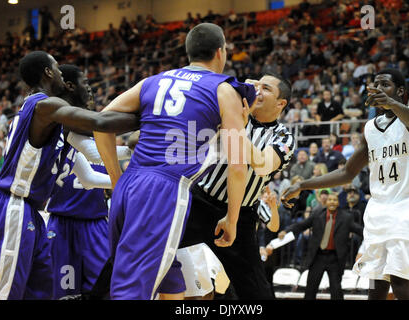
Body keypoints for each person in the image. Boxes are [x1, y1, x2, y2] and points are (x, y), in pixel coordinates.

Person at [92, 23, 256, 300]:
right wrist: (232, 218)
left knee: (171, 281)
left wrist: (116, 179)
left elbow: (100, 123)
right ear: (220, 52)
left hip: (129, 185)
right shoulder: (224, 89)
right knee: (130, 291)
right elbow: (238, 165)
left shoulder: (152, 81)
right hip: (163, 191)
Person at [282, 68, 409, 300]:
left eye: (385, 85)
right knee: (375, 290)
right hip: (379, 214)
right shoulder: (371, 129)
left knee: (401, 286)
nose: (378, 89)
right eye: (375, 85)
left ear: (400, 91)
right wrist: (303, 185)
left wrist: (392, 104)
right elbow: (347, 172)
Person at [0, 51, 139, 300]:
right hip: (14, 205)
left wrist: (130, 151)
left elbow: (90, 162)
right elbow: (100, 123)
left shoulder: (53, 119)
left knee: (41, 289)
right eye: (58, 68)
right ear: (49, 72)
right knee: (7, 291)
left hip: (33, 213)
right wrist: (148, 118)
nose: (62, 73)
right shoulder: (45, 104)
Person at [179, 72, 295, 300]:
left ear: (281, 103)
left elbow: (262, 165)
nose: (258, 91)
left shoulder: (284, 137)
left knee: (256, 293)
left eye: (267, 89)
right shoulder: (231, 110)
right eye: (257, 85)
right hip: (199, 201)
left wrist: (238, 130)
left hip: (240, 216)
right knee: (146, 246)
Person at [44, 65, 133, 300]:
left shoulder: (75, 130)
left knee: (107, 287)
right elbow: (101, 134)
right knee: (62, 292)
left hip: (94, 222)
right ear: (70, 86)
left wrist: (132, 156)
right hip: (58, 221)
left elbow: (90, 173)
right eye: (86, 83)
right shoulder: (59, 119)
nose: (91, 90)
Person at [278, 192, 362, 299]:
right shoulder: (317, 215)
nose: (332, 202)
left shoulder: (346, 218)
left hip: (335, 258)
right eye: (330, 200)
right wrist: (286, 231)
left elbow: (359, 230)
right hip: (318, 256)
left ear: (338, 203)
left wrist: (375, 237)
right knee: (311, 289)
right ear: (326, 202)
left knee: (336, 290)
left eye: (335, 200)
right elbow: (301, 225)